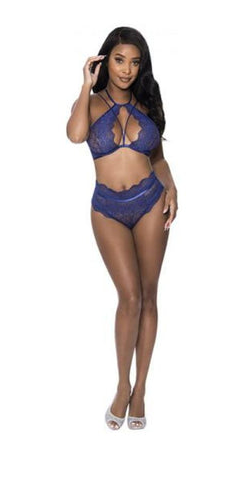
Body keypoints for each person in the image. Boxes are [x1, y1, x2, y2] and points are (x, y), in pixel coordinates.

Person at [66, 27, 178, 430]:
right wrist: (86, 85)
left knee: (149, 296)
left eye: (134, 62)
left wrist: (172, 185)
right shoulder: (92, 103)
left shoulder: (147, 103)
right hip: (108, 210)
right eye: (119, 60)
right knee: (128, 297)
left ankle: (141, 389)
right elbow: (76, 135)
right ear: (105, 61)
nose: (127, 70)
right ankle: (122, 384)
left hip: (150, 202)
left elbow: (158, 159)